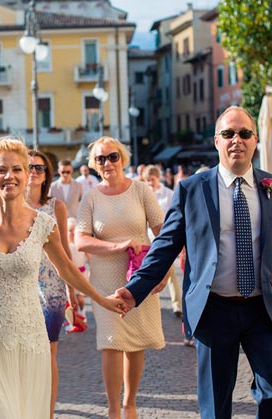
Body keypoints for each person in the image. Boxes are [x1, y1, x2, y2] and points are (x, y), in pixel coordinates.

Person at [117, 106, 272, 419]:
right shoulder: (192, 189)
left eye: (244, 133)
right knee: (215, 404)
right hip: (214, 309)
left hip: (264, 309)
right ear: (217, 141)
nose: (237, 140)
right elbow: (165, 246)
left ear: (255, 140)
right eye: (228, 133)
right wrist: (135, 289)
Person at [0, 137, 125, 419]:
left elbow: (67, 268)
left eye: (17, 169)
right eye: (1, 170)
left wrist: (102, 300)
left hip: (29, 339)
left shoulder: (43, 225)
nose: (10, 176)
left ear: (26, 175)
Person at [75, 136, 166, 419]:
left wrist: (160, 271)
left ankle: (130, 404)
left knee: (136, 341)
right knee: (112, 341)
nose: (107, 163)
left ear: (122, 159)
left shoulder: (140, 190)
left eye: (112, 157)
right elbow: (80, 240)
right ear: (93, 165)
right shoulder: (91, 197)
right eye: (100, 159)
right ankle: (114, 409)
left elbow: (163, 231)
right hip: (105, 280)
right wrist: (116, 245)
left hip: (140, 277)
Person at [26, 149, 77, 418]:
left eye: (40, 168)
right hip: (20, 288)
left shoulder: (56, 206)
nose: (34, 172)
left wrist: (73, 292)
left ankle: (47, 413)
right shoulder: (10, 204)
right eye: (29, 166)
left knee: (48, 356)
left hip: (52, 291)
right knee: (23, 356)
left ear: (48, 175)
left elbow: (66, 253)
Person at [141, 165, 181, 317]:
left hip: (165, 238)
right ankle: (150, 306)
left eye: (152, 179)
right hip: (149, 239)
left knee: (170, 273)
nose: (150, 182)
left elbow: (174, 215)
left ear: (158, 178)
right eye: (147, 180)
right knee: (150, 272)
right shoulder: (145, 194)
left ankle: (177, 305)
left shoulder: (169, 194)